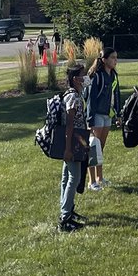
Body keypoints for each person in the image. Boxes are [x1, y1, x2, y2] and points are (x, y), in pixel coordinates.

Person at [59, 63, 90, 232]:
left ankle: (67, 210)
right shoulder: (73, 97)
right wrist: (68, 148)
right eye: (82, 75)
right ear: (75, 79)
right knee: (74, 178)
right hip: (73, 141)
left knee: (66, 178)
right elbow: (70, 124)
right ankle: (65, 218)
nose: (85, 78)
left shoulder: (75, 94)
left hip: (74, 139)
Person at [84, 47, 121, 190]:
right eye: (112, 58)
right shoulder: (97, 76)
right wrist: (90, 119)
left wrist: (118, 113)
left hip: (108, 115)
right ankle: (91, 181)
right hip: (97, 115)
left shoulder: (113, 75)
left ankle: (100, 178)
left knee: (100, 148)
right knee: (93, 148)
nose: (115, 60)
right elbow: (91, 100)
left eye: (116, 57)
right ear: (104, 59)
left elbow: (116, 95)